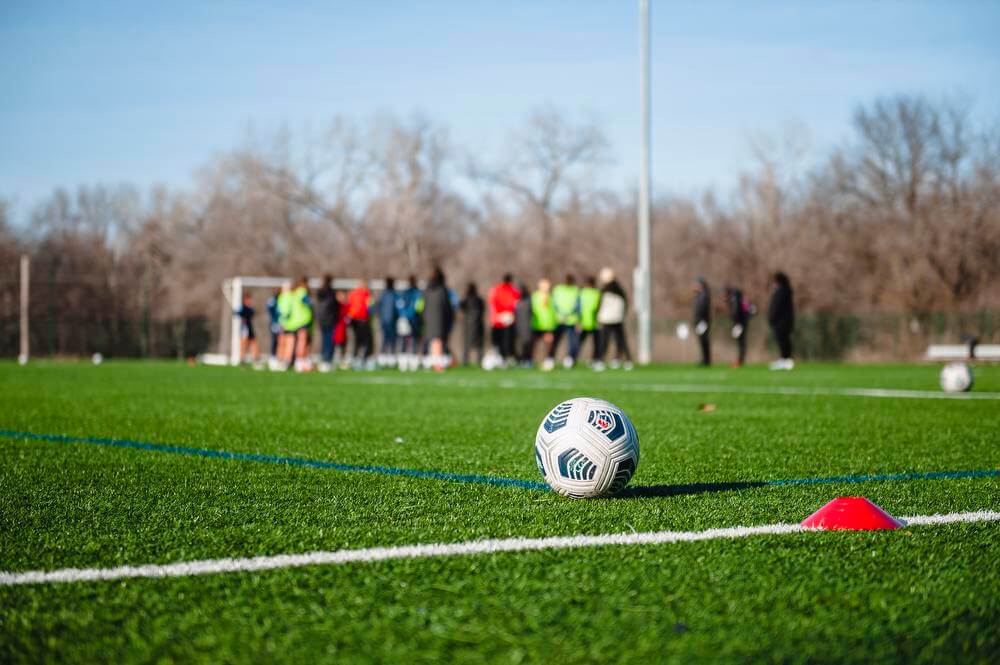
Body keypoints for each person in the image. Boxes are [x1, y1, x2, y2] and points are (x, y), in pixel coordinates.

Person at [595, 268, 632, 370]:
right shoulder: (620, 290)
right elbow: (625, 304)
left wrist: (597, 316)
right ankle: (627, 360)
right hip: (618, 318)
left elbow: (599, 305)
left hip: (606, 318)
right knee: (621, 340)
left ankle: (601, 360)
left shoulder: (604, 290)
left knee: (605, 341)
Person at [422, 266, 453, 371]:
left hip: (429, 319)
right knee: (437, 342)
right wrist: (450, 318)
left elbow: (423, 305)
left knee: (434, 342)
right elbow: (447, 306)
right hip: (440, 319)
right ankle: (438, 364)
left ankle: (436, 363)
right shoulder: (442, 290)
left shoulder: (426, 290)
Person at [488, 274, 520, 366]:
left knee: (498, 342)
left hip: (497, 320)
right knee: (506, 341)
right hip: (507, 319)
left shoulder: (496, 289)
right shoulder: (513, 291)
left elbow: (492, 303)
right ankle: (502, 359)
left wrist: (495, 316)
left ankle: (501, 359)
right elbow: (515, 304)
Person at [552, 274, 581, 368]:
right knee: (557, 341)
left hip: (566, 319)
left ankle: (568, 359)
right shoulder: (560, 290)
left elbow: (578, 305)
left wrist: (563, 314)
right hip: (564, 319)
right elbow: (554, 304)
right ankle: (550, 358)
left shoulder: (574, 290)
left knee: (570, 342)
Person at [768, 271, 795, 370]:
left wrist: (772, 318)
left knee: (783, 340)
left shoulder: (782, 291)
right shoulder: (784, 291)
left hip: (782, 322)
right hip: (783, 321)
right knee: (783, 341)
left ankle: (786, 360)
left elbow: (776, 307)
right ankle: (784, 359)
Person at [395, 275, 422, 371]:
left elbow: (399, 305)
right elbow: (418, 307)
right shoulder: (417, 294)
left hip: (404, 319)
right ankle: (412, 364)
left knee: (404, 340)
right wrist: (410, 315)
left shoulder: (404, 293)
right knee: (413, 340)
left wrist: (403, 315)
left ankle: (403, 364)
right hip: (413, 320)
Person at [287, 276, 314, 372]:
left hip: (295, 322)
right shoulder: (302, 292)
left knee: (298, 342)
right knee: (302, 342)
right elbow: (309, 302)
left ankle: (299, 362)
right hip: (302, 321)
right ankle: (300, 362)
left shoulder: (295, 293)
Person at [531, 279, 558, 371]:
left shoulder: (551, 297)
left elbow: (553, 311)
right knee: (535, 344)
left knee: (549, 344)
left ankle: (548, 360)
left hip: (548, 325)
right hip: (537, 324)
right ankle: (532, 360)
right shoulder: (535, 296)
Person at [346, 281, 373, 370]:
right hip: (362, 319)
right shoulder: (366, 293)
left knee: (357, 340)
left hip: (353, 320)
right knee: (366, 341)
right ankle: (364, 360)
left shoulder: (352, 293)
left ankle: (355, 359)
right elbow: (369, 306)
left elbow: (349, 306)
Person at [315, 275, 338, 372]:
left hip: (321, 319)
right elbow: (334, 305)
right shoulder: (331, 293)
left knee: (325, 340)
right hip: (329, 319)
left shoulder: (319, 292)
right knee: (329, 341)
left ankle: (324, 360)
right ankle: (327, 361)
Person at [578, 276, 602, 365]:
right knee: (595, 343)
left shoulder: (582, 293)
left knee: (594, 343)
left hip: (588, 322)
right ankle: (596, 360)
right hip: (590, 322)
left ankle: (596, 359)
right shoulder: (596, 293)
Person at [724, 286, 750, 367]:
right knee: (741, 342)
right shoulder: (740, 299)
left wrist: (736, 323)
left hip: (739, 324)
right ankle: (740, 360)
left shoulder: (735, 299)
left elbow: (736, 313)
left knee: (741, 342)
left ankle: (740, 361)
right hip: (742, 323)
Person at [459, 283, 485, 366]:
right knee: (479, 345)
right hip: (478, 325)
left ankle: (465, 361)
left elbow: (461, 307)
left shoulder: (466, 300)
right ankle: (479, 361)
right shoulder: (479, 300)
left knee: (467, 344)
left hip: (468, 325)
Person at [376, 276, 398, 367]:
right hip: (389, 321)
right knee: (389, 340)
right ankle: (386, 359)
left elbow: (378, 307)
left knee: (387, 340)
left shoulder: (384, 294)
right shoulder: (392, 294)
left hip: (386, 321)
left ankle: (386, 359)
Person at [234, 293, 259, 364]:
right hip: (244, 328)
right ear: (245, 300)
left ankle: (256, 359)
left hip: (250, 328)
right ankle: (242, 359)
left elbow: (253, 313)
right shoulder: (242, 308)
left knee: (254, 343)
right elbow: (237, 313)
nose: (249, 301)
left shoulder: (250, 308)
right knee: (244, 344)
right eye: (248, 299)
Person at [693, 277, 712, 366]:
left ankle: (706, 360)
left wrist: (702, 321)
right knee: (702, 341)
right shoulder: (699, 295)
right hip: (700, 321)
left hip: (703, 322)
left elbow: (702, 310)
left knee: (704, 340)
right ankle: (704, 359)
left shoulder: (704, 295)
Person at [514, 284, 534, 368]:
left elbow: (532, 313)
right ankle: (520, 361)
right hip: (518, 327)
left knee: (527, 344)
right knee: (519, 345)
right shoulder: (517, 302)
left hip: (527, 326)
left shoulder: (529, 301)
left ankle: (528, 361)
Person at [333, 289, 349, 369]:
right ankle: (334, 361)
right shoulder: (335, 306)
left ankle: (342, 362)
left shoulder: (345, 306)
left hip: (342, 329)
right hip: (336, 329)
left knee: (343, 346)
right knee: (335, 346)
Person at [266, 288, 281, 361]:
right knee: (275, 340)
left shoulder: (280, 301)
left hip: (278, 323)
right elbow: (270, 309)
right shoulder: (273, 301)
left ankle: (276, 356)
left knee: (278, 340)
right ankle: (273, 356)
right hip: (274, 323)